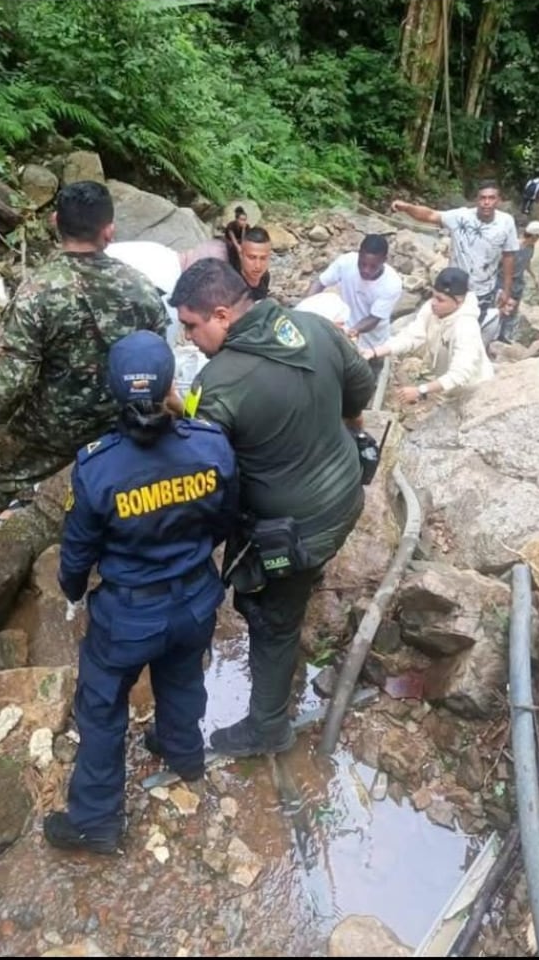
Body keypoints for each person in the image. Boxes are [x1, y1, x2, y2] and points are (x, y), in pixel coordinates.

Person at [42, 331, 239, 854]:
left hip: (129, 615)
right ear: (172, 383)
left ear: (112, 391)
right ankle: (184, 752)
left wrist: (73, 591)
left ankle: (95, 822)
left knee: (103, 709)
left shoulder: (97, 466)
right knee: (180, 675)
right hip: (196, 598)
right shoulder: (211, 445)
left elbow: (78, 550)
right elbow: (224, 518)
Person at [171, 259, 376, 758]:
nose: (190, 340)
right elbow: (360, 392)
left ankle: (268, 727)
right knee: (296, 580)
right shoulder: (313, 326)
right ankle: (307, 578)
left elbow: (206, 473)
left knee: (269, 618)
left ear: (221, 315)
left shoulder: (218, 381)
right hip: (346, 495)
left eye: (192, 327)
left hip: (293, 531)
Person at [0, 181, 167, 598]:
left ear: (55, 221)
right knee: (127, 482)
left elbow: (16, 377)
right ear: (108, 231)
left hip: (49, 424)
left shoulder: (38, 291)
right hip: (117, 421)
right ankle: (128, 560)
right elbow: (156, 356)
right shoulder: (141, 287)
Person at [392, 180, 518, 347]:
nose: (486, 202)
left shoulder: (506, 222)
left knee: (471, 326)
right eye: (483, 198)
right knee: (444, 322)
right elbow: (430, 215)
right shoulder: (461, 217)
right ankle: (437, 348)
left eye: (491, 198)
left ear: (499, 200)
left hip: (483, 289)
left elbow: (509, 255)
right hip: (454, 287)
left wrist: (506, 289)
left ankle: (464, 353)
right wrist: (407, 207)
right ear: (476, 200)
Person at [361, 267, 493, 402]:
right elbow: (411, 336)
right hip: (448, 389)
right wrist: (375, 352)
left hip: (474, 392)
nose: (434, 303)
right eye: (433, 296)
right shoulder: (431, 310)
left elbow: (460, 374)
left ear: (459, 301)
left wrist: (420, 390)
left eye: (441, 300)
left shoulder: (466, 326)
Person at [302, 234, 403, 381]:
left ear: (384, 260)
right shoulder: (345, 263)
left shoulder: (392, 284)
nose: (366, 270)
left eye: (373, 266)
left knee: (366, 382)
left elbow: (374, 318)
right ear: (358, 255)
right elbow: (320, 283)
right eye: (362, 264)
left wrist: (351, 331)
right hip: (345, 334)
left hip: (373, 344)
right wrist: (304, 309)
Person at [495, 220, 539, 343]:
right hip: (503, 281)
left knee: (512, 311)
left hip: (518, 283)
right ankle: (493, 333)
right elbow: (499, 263)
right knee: (500, 308)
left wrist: (535, 277)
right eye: (538, 236)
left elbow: (526, 262)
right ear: (534, 236)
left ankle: (504, 335)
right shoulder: (513, 246)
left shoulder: (530, 247)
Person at [230, 226, 273, 301]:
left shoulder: (265, 276)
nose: (258, 266)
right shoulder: (230, 285)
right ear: (241, 255)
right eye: (252, 257)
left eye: (263, 258)